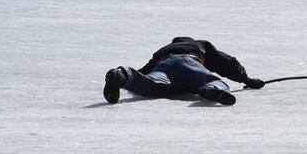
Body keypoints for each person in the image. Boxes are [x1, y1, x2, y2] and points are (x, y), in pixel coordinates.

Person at [103, 37, 265, 105]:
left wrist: (130, 79)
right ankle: (212, 89)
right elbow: (227, 62)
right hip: (189, 61)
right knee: (214, 81)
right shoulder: (200, 45)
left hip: (163, 65)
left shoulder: (163, 51)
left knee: (151, 85)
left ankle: (121, 75)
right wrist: (247, 80)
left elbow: (144, 71)